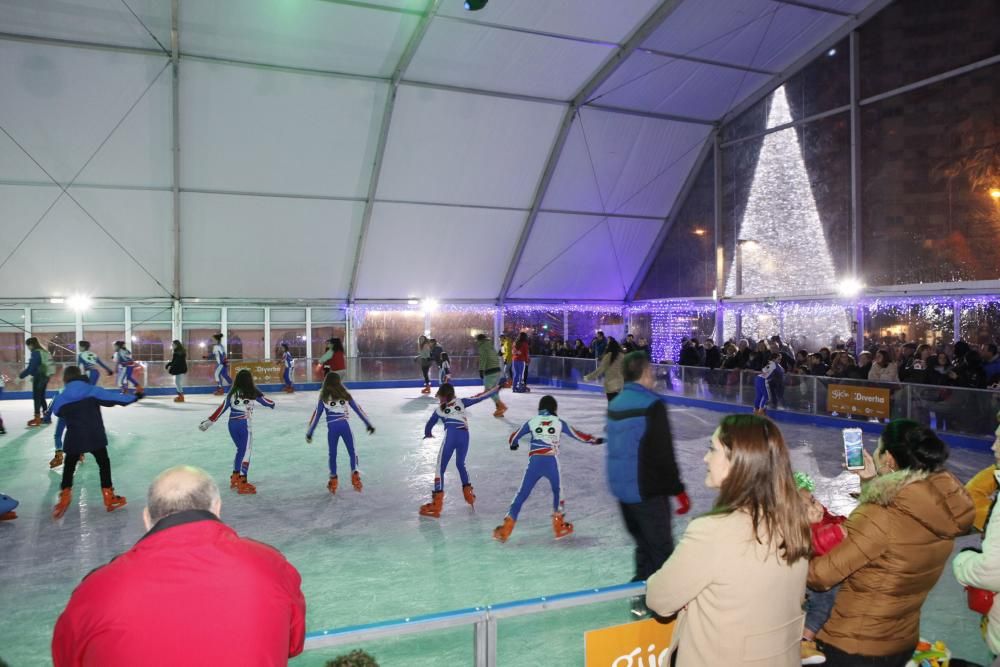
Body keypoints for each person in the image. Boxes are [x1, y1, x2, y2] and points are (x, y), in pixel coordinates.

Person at [51, 465, 305, 666]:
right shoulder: (270, 566)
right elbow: (292, 644)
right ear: (217, 508)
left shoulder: (97, 590)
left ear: (147, 518)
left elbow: (67, 658)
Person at [645, 414, 811, 666]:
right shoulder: (792, 523)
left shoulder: (713, 531)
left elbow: (659, 598)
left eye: (713, 449)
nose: (705, 458)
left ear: (738, 463)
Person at [808, 420, 974, 666]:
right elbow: (892, 546)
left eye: (879, 449)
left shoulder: (883, 514)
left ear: (889, 460)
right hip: (900, 640)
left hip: (853, 645)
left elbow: (820, 577)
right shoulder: (941, 509)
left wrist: (802, 537)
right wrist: (871, 483)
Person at [606, 352, 689, 613]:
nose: (653, 376)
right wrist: (678, 490)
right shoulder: (652, 405)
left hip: (623, 490)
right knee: (661, 549)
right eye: (651, 371)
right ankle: (664, 609)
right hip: (647, 489)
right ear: (644, 373)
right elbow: (663, 454)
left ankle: (639, 598)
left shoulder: (616, 403)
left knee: (644, 545)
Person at [493, 395, 603, 543]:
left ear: (540, 408)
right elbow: (578, 435)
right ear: (554, 409)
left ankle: (507, 527)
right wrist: (594, 440)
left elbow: (514, 437)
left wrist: (514, 445)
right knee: (558, 491)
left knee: (522, 494)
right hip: (551, 460)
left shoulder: (532, 421)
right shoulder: (559, 422)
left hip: (534, 462)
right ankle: (559, 526)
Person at [50, 366, 139, 519]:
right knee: (103, 463)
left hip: (74, 437)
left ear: (66, 379)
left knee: (69, 467)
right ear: (80, 376)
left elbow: (56, 411)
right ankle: (108, 494)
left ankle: (64, 495)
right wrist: (136, 396)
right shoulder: (92, 390)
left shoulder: (61, 397)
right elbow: (117, 398)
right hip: (94, 435)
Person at [418, 382, 500, 517]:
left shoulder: (439, 410)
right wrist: (496, 388)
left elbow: (429, 425)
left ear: (443, 397)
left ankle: (437, 504)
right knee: (460, 464)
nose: (439, 399)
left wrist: (428, 434)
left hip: (451, 435)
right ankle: (469, 495)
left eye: (440, 397)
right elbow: (480, 397)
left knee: (440, 468)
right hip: (465, 435)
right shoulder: (461, 402)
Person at [795, 472, 848, 665]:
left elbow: (836, 521)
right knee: (823, 606)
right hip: (812, 581)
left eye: (814, 500)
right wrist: (839, 533)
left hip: (823, 571)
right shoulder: (801, 531)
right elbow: (816, 543)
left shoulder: (820, 516)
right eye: (809, 506)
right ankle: (805, 641)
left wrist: (843, 522)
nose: (817, 506)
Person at [199, 369, 275, 495]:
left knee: (240, 449)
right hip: (244, 424)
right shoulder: (252, 392)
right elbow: (266, 402)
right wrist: (272, 403)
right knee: (246, 451)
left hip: (232, 425)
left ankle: (235, 476)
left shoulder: (232, 392)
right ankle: (243, 480)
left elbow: (222, 408)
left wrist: (209, 422)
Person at [306, 372, 375, 494]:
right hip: (345, 426)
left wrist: (310, 432)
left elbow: (317, 416)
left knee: (332, 454)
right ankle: (355, 474)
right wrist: (368, 424)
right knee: (352, 452)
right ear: (339, 382)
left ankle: (333, 479)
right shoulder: (345, 394)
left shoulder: (324, 397)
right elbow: (358, 410)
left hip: (332, 429)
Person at [20, 337, 55, 427]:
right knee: (41, 396)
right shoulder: (44, 351)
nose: (28, 348)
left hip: (39, 377)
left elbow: (31, 367)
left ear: (31, 345)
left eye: (28, 346)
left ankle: (37, 418)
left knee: (37, 397)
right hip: (45, 376)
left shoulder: (36, 353)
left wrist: (20, 376)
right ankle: (47, 417)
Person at [473, 333, 507, 417]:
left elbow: (483, 359)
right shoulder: (490, 346)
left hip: (490, 371)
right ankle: (499, 410)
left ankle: (501, 406)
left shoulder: (482, 347)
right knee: (494, 391)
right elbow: (498, 355)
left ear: (479, 340)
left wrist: (481, 370)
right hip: (497, 370)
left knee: (488, 391)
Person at [584, 336, 624, 401]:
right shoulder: (622, 356)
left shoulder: (608, 356)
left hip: (611, 384)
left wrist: (589, 377)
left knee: (612, 405)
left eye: (607, 345)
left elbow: (600, 369)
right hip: (620, 384)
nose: (606, 346)